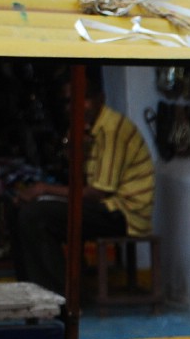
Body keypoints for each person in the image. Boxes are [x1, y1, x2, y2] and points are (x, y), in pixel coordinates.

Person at [12, 69, 154, 295]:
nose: (77, 107)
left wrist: (43, 189)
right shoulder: (90, 129)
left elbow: (97, 192)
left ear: (100, 99)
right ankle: (31, 290)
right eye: (70, 102)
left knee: (36, 215)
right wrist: (76, 151)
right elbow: (81, 183)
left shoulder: (111, 129)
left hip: (123, 214)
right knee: (21, 209)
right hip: (104, 207)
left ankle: (59, 296)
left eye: (85, 99)